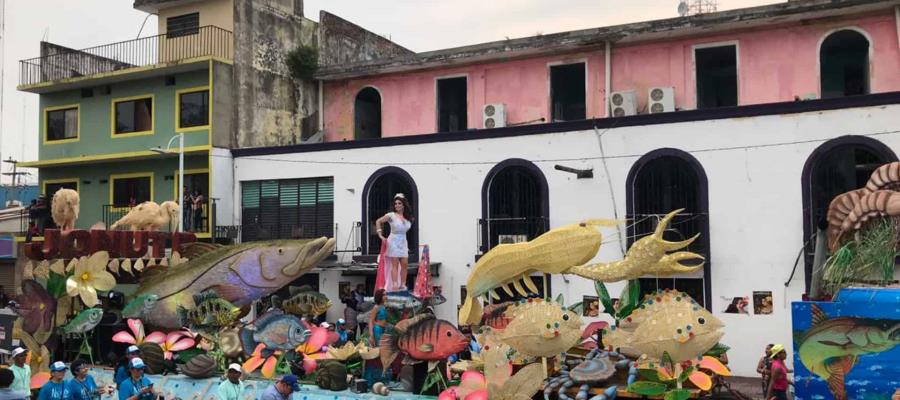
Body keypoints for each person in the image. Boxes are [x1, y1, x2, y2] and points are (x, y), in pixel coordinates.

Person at [374, 194, 414, 292]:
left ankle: (403, 285)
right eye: (395, 203)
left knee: (405, 264)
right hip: (393, 241)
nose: (397, 205)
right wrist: (380, 235)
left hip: (403, 241)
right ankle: (395, 285)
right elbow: (378, 221)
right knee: (395, 264)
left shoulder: (408, 218)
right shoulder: (391, 215)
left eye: (399, 203)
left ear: (403, 205)